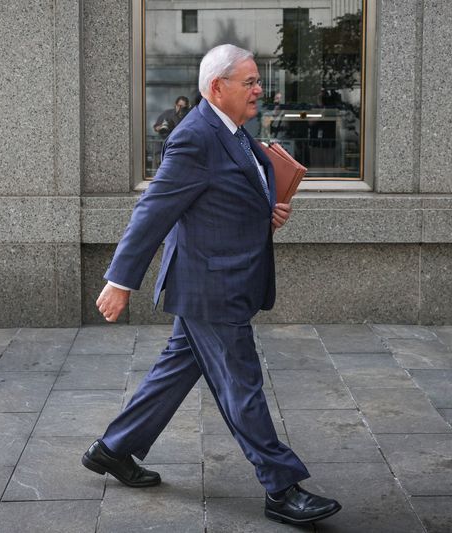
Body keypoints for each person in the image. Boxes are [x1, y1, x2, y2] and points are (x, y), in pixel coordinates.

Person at [83, 44, 342, 526]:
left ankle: (112, 449)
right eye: (249, 82)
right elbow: (153, 211)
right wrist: (120, 280)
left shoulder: (236, 133)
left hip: (222, 276)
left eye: (257, 81)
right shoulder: (194, 137)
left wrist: (267, 211)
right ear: (216, 88)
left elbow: (224, 196)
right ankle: (281, 487)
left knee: (177, 368)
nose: (259, 89)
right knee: (241, 383)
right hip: (211, 284)